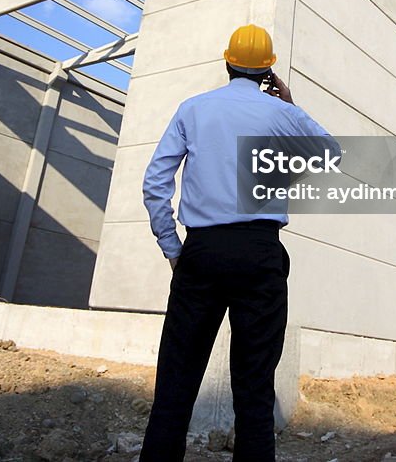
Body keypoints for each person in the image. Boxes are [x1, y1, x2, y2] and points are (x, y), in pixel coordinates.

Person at [139, 24, 336, 462]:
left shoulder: (193, 109)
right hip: (260, 253)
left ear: (226, 63)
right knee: (254, 390)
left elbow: (155, 183)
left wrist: (173, 248)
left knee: (175, 384)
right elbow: (331, 154)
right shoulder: (280, 114)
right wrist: (288, 103)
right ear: (269, 69)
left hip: (202, 253)